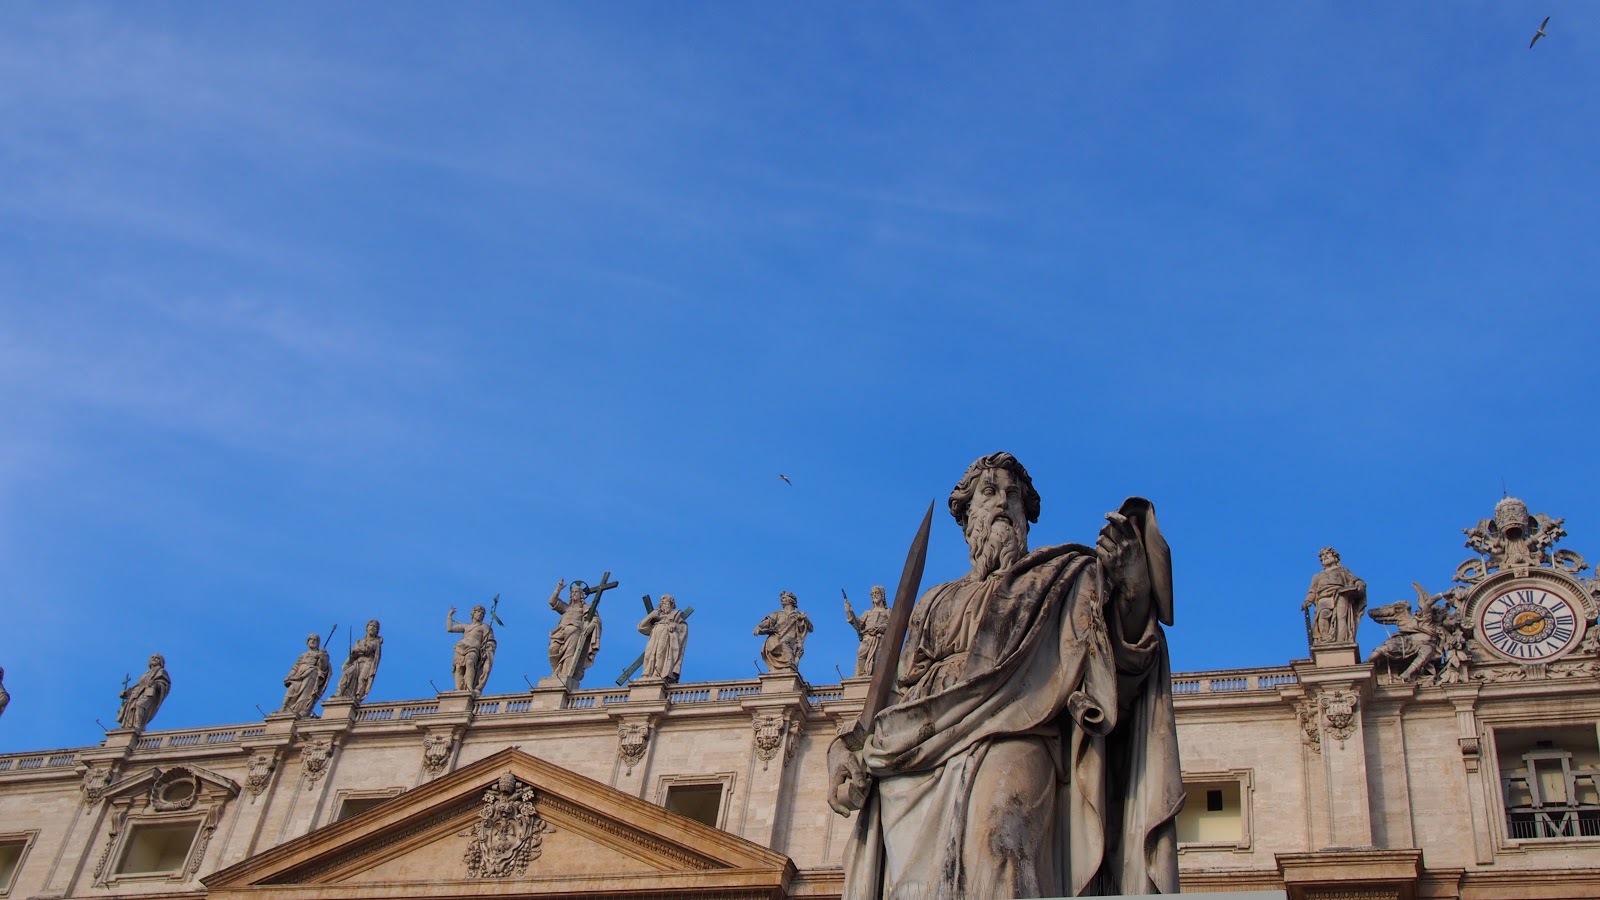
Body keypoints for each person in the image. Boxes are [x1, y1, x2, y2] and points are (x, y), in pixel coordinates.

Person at [829, 452, 1181, 898]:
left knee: (1005, 839)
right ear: (968, 516)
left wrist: (1133, 589)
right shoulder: (935, 601)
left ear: (1026, 516)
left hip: (1019, 729)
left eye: (1013, 495)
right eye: (989, 492)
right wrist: (845, 751)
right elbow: (896, 700)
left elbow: (1121, 667)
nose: (1002, 502)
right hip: (919, 755)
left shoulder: (1059, 581)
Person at [1302, 547, 1367, 646]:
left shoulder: (1342, 570)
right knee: (1323, 616)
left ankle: (1341, 641)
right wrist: (1308, 601)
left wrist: (1359, 583)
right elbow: (1312, 592)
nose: (1324, 557)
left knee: (1341, 617)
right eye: (1322, 556)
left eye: (1327, 554)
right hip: (1323, 598)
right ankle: (1325, 641)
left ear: (1335, 557)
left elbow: (1354, 579)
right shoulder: (1317, 576)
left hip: (1340, 594)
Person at [547, 580, 602, 684]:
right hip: (560, 632)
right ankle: (556, 673)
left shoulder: (585, 608)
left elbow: (595, 619)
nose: (574, 594)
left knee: (569, 653)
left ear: (581, 595)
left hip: (574, 631)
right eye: (572, 593)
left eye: (576, 592)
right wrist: (558, 589)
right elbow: (552, 601)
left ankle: (564, 674)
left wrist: (590, 625)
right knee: (553, 649)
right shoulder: (566, 607)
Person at [755, 591, 813, 672]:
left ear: (791, 600)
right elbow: (768, 621)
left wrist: (804, 619)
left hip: (793, 642)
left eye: (784, 598)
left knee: (791, 663)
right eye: (782, 598)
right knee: (789, 663)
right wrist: (759, 627)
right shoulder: (778, 613)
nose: (782, 600)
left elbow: (810, 628)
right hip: (778, 640)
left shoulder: (799, 614)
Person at [279, 633, 332, 717]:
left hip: (311, 676)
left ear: (318, 643)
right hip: (297, 677)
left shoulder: (321, 654)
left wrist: (322, 658)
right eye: (311, 639)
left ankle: (300, 710)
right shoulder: (303, 655)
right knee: (291, 690)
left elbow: (323, 668)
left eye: (315, 640)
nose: (313, 641)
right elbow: (295, 667)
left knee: (305, 695)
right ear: (307, 642)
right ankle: (284, 709)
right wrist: (289, 676)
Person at [638, 595, 688, 683]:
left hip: (666, 634)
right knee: (648, 655)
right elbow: (641, 627)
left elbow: (683, 628)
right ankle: (646, 674)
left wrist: (674, 625)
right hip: (655, 633)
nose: (662, 601)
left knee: (661, 653)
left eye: (665, 599)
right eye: (661, 600)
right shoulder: (656, 614)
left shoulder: (676, 615)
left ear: (671, 602)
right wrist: (651, 615)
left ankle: (657, 674)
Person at [845, 586, 892, 677]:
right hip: (867, 638)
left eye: (876, 593)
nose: (874, 595)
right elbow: (858, 624)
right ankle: (860, 677)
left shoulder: (888, 611)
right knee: (860, 654)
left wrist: (883, 626)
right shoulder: (868, 612)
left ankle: (876, 679)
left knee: (878, 660)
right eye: (872, 594)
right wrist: (849, 611)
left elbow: (893, 623)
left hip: (880, 639)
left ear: (882, 595)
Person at [447, 605, 496, 693]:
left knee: (470, 663)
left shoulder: (485, 627)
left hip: (474, 647)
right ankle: (458, 689)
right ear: (473, 613)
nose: (480, 614)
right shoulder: (466, 626)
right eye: (478, 612)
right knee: (458, 667)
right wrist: (449, 616)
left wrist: (488, 648)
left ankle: (469, 686)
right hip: (461, 647)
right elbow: (450, 629)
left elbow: (490, 640)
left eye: (482, 613)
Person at [117, 654, 172, 731]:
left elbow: (164, 685)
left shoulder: (161, 671)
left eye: (157, 658)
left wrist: (154, 684)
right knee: (131, 708)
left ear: (161, 662)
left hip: (148, 693)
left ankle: (138, 726)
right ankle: (128, 727)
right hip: (137, 694)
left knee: (139, 705)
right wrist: (127, 692)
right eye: (152, 657)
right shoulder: (147, 673)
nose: (154, 659)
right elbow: (138, 685)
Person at [333, 619, 383, 702]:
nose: (372, 627)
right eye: (371, 625)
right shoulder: (360, 641)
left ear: (377, 630)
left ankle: (357, 697)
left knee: (362, 679)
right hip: (357, 662)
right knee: (347, 673)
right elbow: (353, 654)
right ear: (367, 628)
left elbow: (367, 650)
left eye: (375, 626)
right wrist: (347, 662)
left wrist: (357, 650)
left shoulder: (376, 642)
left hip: (368, 662)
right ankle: (339, 693)